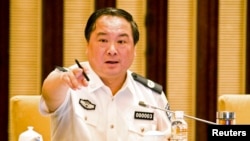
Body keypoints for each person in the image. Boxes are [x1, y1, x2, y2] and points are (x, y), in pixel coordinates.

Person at [40, 7, 172, 141]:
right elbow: (50, 93)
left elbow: (172, 137)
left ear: (134, 49)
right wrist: (63, 80)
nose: (112, 50)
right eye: (103, 40)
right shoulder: (68, 81)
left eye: (121, 41)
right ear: (87, 45)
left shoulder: (152, 95)